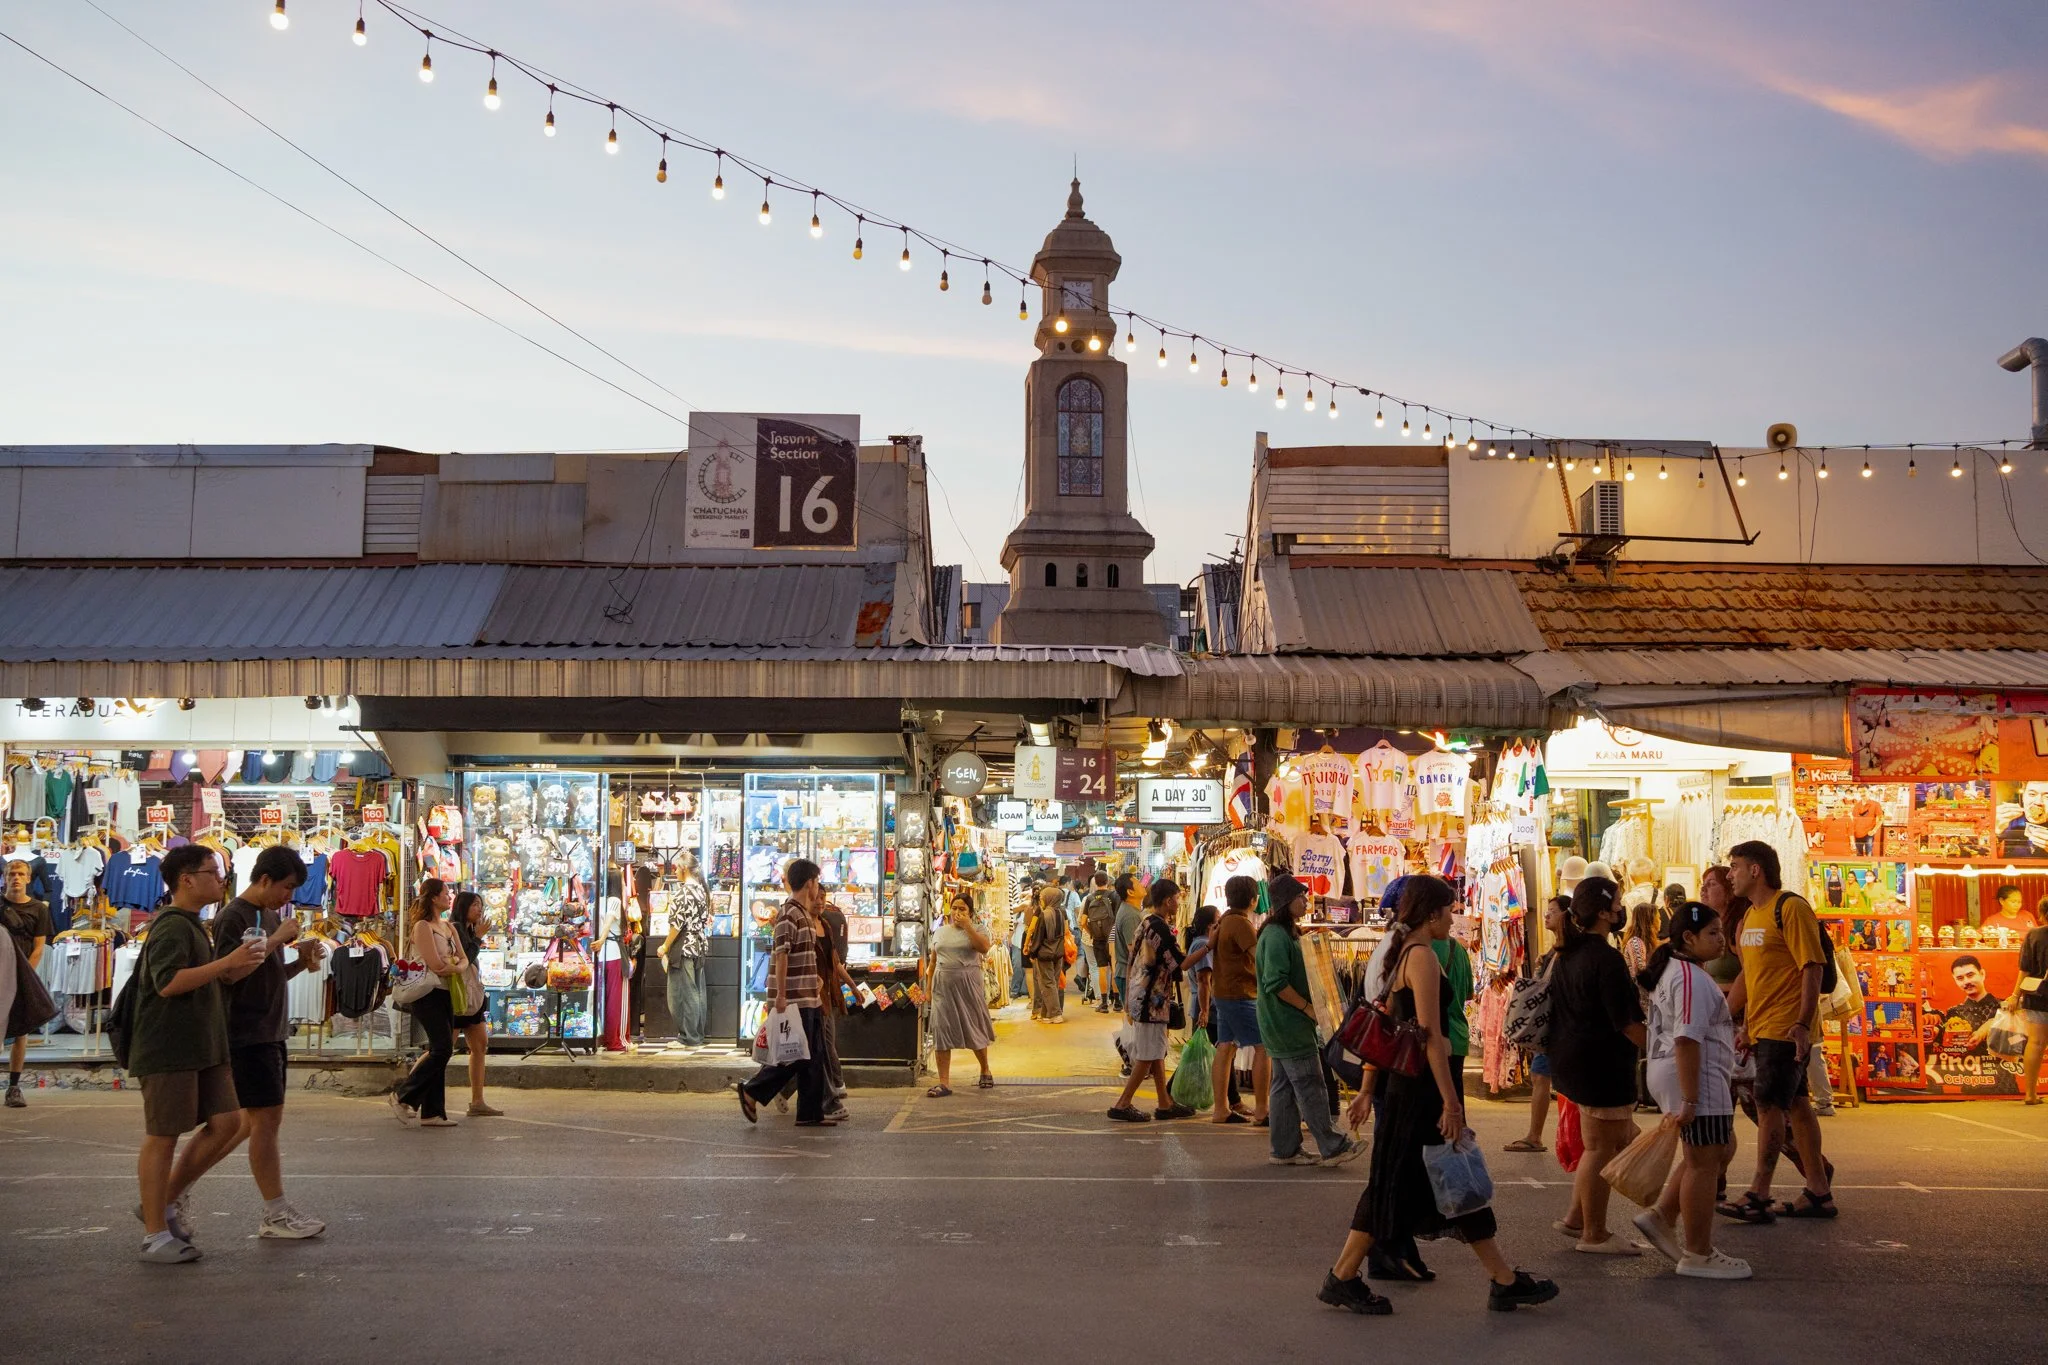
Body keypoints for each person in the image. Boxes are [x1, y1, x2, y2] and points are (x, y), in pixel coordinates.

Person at [1320, 875, 1558, 1315]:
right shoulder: (1423, 958)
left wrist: (1369, 1089)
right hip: (1423, 1092)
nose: (1455, 918)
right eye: (1450, 911)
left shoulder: (1399, 954)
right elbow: (1428, 1037)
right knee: (1442, 1178)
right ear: (1432, 914)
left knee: (1419, 1181)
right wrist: (1450, 1102)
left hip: (1408, 1089)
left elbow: (1387, 1031)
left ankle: (1501, 1279)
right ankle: (1344, 1276)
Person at [130, 845, 269, 1263]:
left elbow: (211, 981)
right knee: (163, 1135)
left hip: (201, 1045)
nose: (221, 879)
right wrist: (226, 961)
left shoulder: (194, 926)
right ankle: (155, 1234)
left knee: (229, 1122)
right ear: (186, 880)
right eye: (213, 872)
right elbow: (168, 982)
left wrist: (240, 964)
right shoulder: (172, 926)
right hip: (169, 1047)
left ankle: (166, 1201)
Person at [210, 845, 328, 1239]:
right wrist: (277, 938)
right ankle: (274, 1212)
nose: (289, 897)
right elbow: (229, 975)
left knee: (248, 1124)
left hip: (271, 1030)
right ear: (264, 880)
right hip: (248, 1032)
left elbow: (267, 974)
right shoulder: (233, 917)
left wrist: (302, 961)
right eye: (287, 887)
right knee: (262, 1123)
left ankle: (176, 1188)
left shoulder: (269, 915)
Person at [1631, 902, 1751, 1280]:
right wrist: (1692, 1098)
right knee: (1704, 1162)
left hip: (1691, 1075)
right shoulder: (1689, 977)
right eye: (1713, 933)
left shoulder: (1680, 971)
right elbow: (1686, 1038)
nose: (1721, 941)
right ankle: (1698, 1252)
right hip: (1693, 1077)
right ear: (1689, 938)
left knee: (1718, 1148)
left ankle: (1663, 1215)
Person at [1725, 840, 1836, 1220]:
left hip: (1786, 1028)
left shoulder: (1790, 908)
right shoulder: (1751, 918)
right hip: (1764, 1027)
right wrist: (1738, 1023)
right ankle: (1819, 1191)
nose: (1730, 875)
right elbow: (1750, 976)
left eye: (1735, 866)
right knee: (1797, 1105)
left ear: (1756, 870)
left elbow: (1812, 966)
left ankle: (1759, 1192)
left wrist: (1803, 1024)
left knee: (1769, 1106)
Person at [1546, 874, 1647, 1253]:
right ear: (1605, 912)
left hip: (1574, 1061)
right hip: (1601, 1066)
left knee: (1605, 1142)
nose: (1622, 909)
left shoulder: (1568, 953)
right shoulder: (1604, 958)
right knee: (1600, 1148)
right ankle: (1595, 1232)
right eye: (1617, 903)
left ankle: (1577, 1218)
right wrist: (1663, 1048)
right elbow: (1626, 1021)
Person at [1257, 874, 1359, 1167]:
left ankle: (1284, 1149)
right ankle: (1333, 1145)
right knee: (1310, 1084)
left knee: (1284, 1087)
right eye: (1300, 896)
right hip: (1287, 1023)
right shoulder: (1276, 936)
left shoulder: (1287, 932)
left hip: (1284, 1023)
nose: (1305, 900)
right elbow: (1275, 982)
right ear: (1285, 903)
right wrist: (1307, 1008)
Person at [737, 860, 831, 1127]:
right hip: (793, 999)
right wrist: (780, 997)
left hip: (808, 995)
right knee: (796, 1056)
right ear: (809, 883)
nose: (817, 888)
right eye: (816, 882)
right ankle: (752, 1090)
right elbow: (781, 955)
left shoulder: (803, 913)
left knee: (812, 1056)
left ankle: (811, 1114)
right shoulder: (789, 914)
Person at [1107, 878, 1194, 1123]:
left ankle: (1164, 1103)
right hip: (1150, 1001)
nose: (1179, 902)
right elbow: (1180, 962)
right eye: (1177, 898)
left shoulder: (1146, 921)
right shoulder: (1159, 928)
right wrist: (1208, 946)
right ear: (1168, 901)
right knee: (1146, 1056)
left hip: (1144, 997)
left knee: (1156, 1053)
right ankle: (1122, 1104)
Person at [389, 879, 466, 1128]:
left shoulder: (448, 927)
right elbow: (436, 965)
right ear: (433, 897)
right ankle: (403, 1096)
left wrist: (453, 966)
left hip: (447, 991)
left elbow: (463, 960)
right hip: (426, 992)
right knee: (442, 1048)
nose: (450, 895)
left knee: (440, 1050)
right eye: (446, 892)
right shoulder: (423, 927)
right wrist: (452, 966)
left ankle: (433, 1112)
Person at [1505, 894, 1570, 1153]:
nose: (1546, 915)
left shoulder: (1566, 948)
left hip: (1557, 1024)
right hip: (1552, 1024)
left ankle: (1536, 1136)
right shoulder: (1557, 948)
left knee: (1545, 1077)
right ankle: (1536, 1135)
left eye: (1552, 911)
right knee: (1542, 1076)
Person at [1209, 874, 1265, 1125]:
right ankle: (1263, 1109)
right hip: (1241, 994)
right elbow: (1259, 958)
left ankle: (1221, 1108)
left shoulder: (1224, 921)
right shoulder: (1241, 925)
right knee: (1265, 1048)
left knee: (1225, 1047)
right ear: (1253, 900)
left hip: (1223, 992)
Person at [927, 893, 994, 1095]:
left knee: (974, 1027)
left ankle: (985, 1069)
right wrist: (928, 988)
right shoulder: (940, 932)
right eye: (955, 908)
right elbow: (933, 961)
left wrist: (968, 927)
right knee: (941, 1031)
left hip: (968, 986)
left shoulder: (978, 930)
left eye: (962, 909)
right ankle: (944, 1082)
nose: (957, 912)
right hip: (942, 987)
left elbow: (983, 948)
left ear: (970, 913)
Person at [2, 857, 54, 1107]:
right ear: (5, 876)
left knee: (21, 1032)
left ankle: (14, 1087)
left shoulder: (39, 909)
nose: (16, 878)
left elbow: (38, 947)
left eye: (21, 874)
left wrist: (25, 978)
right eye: (12, 873)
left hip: (22, 977)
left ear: (29, 878)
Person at [449, 891, 503, 1117]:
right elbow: (465, 959)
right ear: (463, 907)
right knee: (442, 1050)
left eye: (481, 905)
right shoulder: (456, 929)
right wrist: (479, 938)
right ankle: (409, 1091)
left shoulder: (468, 929)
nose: (479, 910)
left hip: (472, 996)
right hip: (459, 995)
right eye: (475, 905)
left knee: (480, 1045)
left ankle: (477, 1101)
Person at [658, 853, 711, 1047]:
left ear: (684, 869)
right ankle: (697, 1033)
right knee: (697, 991)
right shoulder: (702, 891)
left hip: (683, 947)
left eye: (676, 868)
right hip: (698, 945)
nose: (675, 872)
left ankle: (688, 1036)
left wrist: (665, 945)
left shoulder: (683, 893)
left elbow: (677, 925)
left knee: (683, 993)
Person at [2010, 898, 2048, 1104]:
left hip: (2038, 995)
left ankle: (2030, 1094)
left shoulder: (2034, 935)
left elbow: (2024, 969)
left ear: (2042, 914)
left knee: (2036, 1043)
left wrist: (2015, 995)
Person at [1024, 884, 1069, 1024]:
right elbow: (1065, 932)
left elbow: (1038, 936)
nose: (1041, 900)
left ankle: (1056, 1014)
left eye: (1043, 897)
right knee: (1053, 983)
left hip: (1045, 953)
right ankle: (1047, 1013)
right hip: (1058, 953)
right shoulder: (1061, 913)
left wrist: (1031, 952)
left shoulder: (1044, 914)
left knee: (1047, 983)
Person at [1082, 872, 1119, 1013]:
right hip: (1113, 938)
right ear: (1108, 881)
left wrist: (1092, 932)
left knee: (1102, 970)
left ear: (1095, 882)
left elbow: (1083, 922)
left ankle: (1104, 1003)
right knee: (1115, 969)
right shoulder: (1114, 896)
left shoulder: (1089, 898)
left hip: (1097, 939)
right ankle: (1117, 1003)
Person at [1111, 873, 1143, 1012]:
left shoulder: (1130, 910)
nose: (1142, 884)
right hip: (1128, 975)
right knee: (1133, 1018)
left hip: (1126, 974)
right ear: (1130, 892)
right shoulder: (1131, 915)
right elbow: (1134, 948)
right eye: (1138, 883)